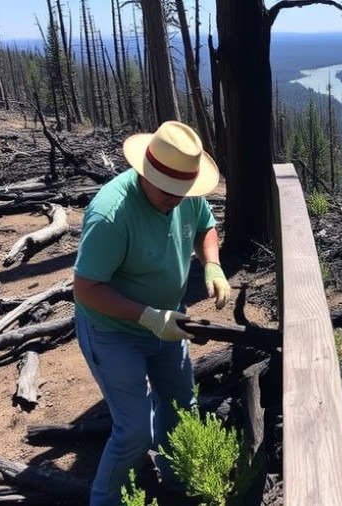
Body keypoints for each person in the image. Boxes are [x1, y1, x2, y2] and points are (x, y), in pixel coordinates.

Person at [72, 120, 232, 505]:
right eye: (170, 190)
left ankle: (178, 480)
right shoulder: (112, 213)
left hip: (167, 320)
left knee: (180, 407)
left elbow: (205, 226)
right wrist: (147, 318)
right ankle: (105, 500)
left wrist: (212, 264)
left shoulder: (183, 192)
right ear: (146, 170)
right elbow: (86, 288)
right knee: (133, 432)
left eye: (184, 190)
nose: (178, 198)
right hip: (113, 332)